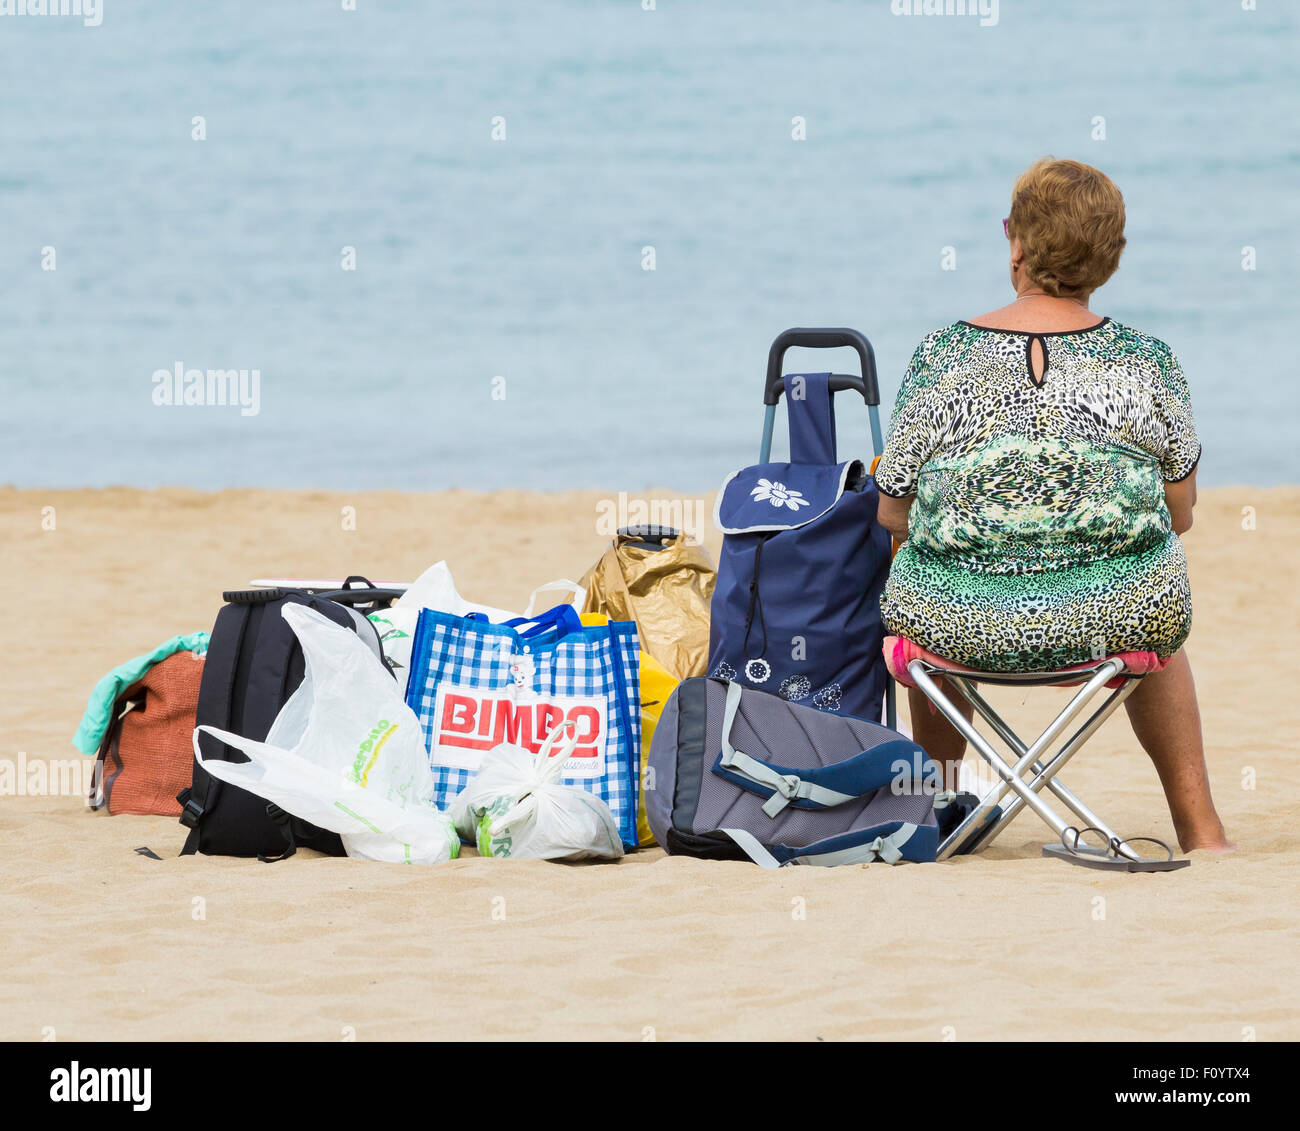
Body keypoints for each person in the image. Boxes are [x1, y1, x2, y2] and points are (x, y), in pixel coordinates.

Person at [872, 157, 1229, 852]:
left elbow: (892, 512)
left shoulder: (943, 354)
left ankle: (938, 805)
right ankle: (1201, 828)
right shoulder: (1147, 361)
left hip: (958, 624)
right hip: (1112, 620)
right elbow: (1180, 511)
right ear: (1110, 258)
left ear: (1016, 244)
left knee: (914, 554)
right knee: (1152, 592)